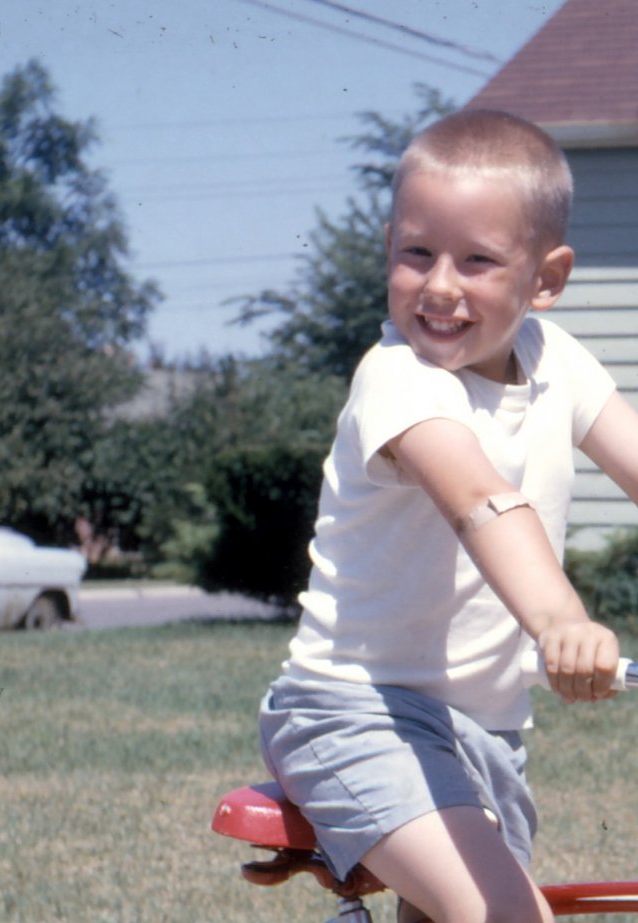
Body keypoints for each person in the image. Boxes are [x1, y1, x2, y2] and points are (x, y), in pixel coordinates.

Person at [258, 109, 638, 923]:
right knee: (507, 916)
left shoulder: (559, 360)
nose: (439, 285)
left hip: (488, 736)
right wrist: (561, 619)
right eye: (417, 253)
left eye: (477, 261)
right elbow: (479, 498)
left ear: (547, 277)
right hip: (355, 714)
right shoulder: (399, 379)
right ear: (389, 244)